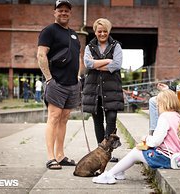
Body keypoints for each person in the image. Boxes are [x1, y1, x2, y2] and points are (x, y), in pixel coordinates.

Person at [92, 90, 180, 184]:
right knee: (139, 152)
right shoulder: (179, 117)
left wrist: (146, 138)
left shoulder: (164, 118)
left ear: (164, 104)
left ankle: (108, 175)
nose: (157, 107)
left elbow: (156, 141)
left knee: (136, 152)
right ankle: (119, 171)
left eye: (158, 105)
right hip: (178, 157)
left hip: (166, 158)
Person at [37, 0, 81, 170]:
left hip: (72, 84)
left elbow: (76, 57)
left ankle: (61, 155)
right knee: (54, 117)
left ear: (70, 13)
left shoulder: (74, 34)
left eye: (66, 11)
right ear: (54, 12)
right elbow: (41, 55)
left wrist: (78, 77)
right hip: (57, 83)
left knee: (64, 119)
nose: (63, 13)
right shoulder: (48, 31)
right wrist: (49, 79)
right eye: (60, 10)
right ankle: (51, 157)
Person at [82, 18, 124, 162]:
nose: (102, 34)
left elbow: (117, 65)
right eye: (99, 31)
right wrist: (107, 61)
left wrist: (96, 65)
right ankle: (101, 152)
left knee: (111, 119)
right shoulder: (89, 46)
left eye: (105, 31)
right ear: (95, 32)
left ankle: (108, 150)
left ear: (109, 31)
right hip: (94, 90)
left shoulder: (116, 46)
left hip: (111, 89)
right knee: (97, 121)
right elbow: (88, 63)